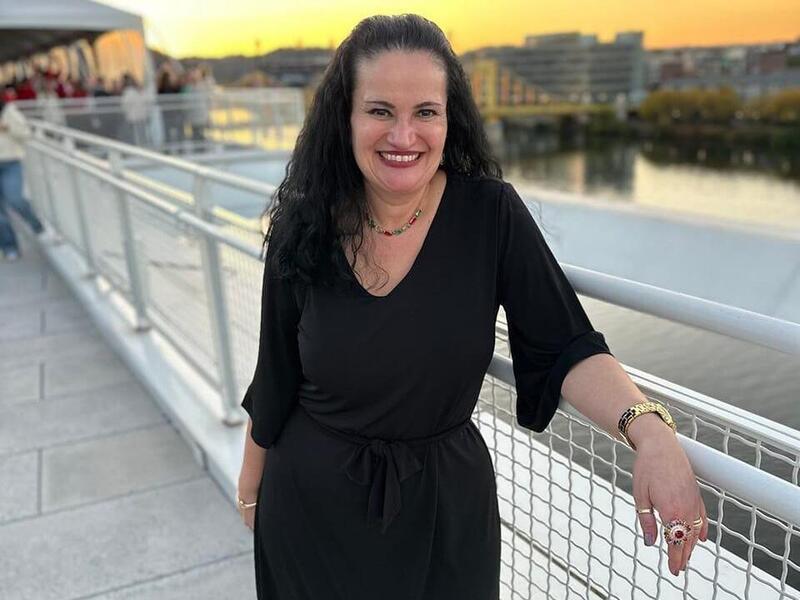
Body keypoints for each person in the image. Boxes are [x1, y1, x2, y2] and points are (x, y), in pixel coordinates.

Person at [236, 14, 707, 599]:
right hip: (309, 511)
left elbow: (565, 343)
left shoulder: (489, 215)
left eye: (425, 112)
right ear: (346, 117)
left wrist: (652, 433)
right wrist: (250, 491)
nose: (403, 136)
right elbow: (275, 378)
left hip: (444, 515)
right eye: (380, 110)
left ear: (448, 118)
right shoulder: (302, 225)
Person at [0, 92, 44, 260]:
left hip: (10, 162)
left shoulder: (9, 111)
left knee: (15, 198)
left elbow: (26, 133)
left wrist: (7, 127)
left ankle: (35, 223)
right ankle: (9, 246)